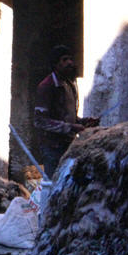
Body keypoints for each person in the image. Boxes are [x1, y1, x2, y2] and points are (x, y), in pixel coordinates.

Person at [34, 45, 99, 178]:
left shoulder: (69, 84)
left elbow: (69, 116)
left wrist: (84, 121)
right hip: (53, 147)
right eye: (64, 60)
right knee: (54, 184)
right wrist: (71, 127)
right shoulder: (47, 86)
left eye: (70, 59)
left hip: (69, 145)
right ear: (55, 64)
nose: (70, 62)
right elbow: (40, 121)